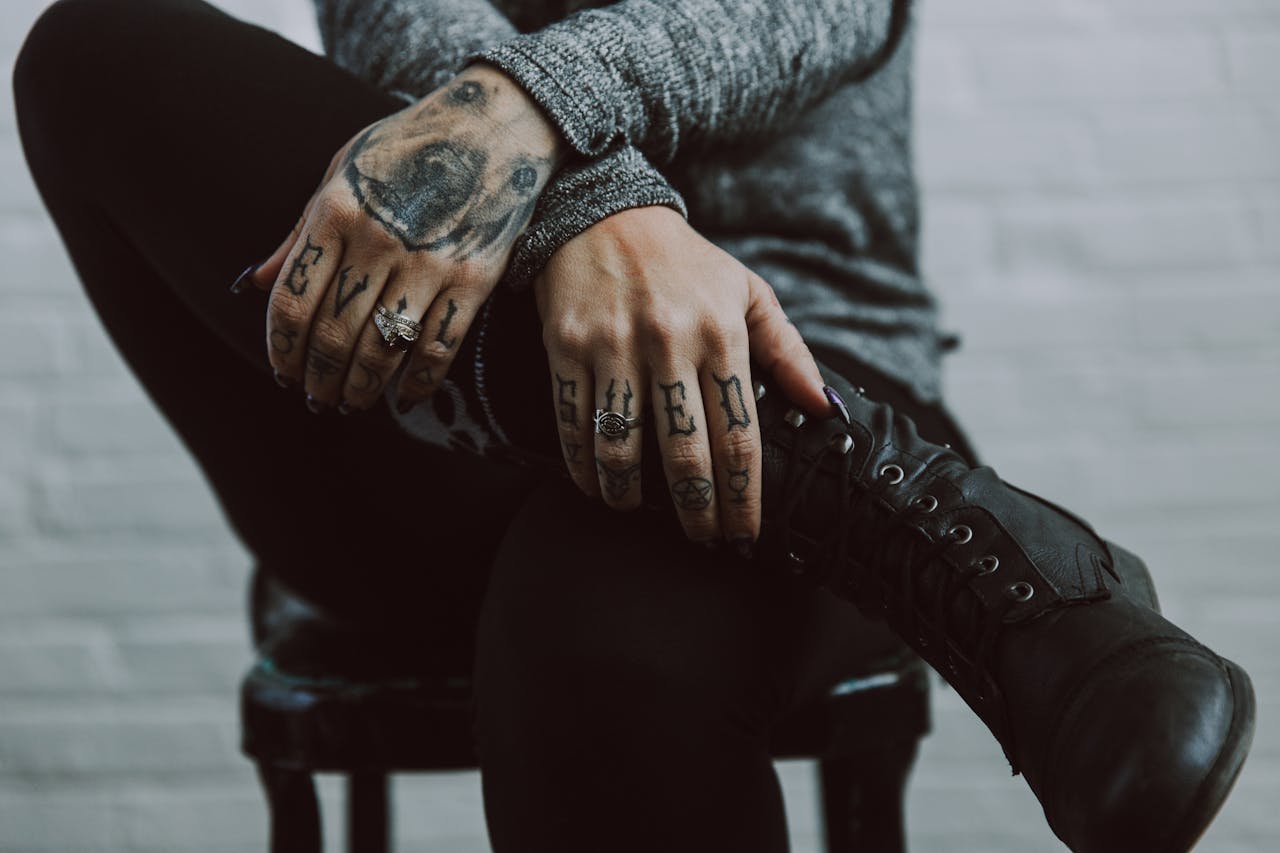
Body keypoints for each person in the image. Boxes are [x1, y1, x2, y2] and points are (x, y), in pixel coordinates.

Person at [13, 0, 1254, 851]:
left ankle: (829, 482)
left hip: (810, 371)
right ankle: (944, 549)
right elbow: (409, 57)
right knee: (99, 51)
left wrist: (533, 117)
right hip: (427, 441)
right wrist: (593, 220)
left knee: (599, 626)